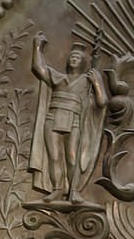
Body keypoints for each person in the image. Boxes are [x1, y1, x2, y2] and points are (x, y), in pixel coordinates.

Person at [29, 33, 108, 202]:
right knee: (54, 157)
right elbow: (39, 68)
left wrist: (97, 83)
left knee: (72, 158)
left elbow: (102, 102)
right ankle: (57, 189)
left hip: (73, 119)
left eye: (77, 57)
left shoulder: (87, 80)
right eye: (72, 56)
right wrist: (37, 47)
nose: (73, 59)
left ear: (83, 62)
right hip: (53, 117)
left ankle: (74, 190)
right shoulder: (58, 77)